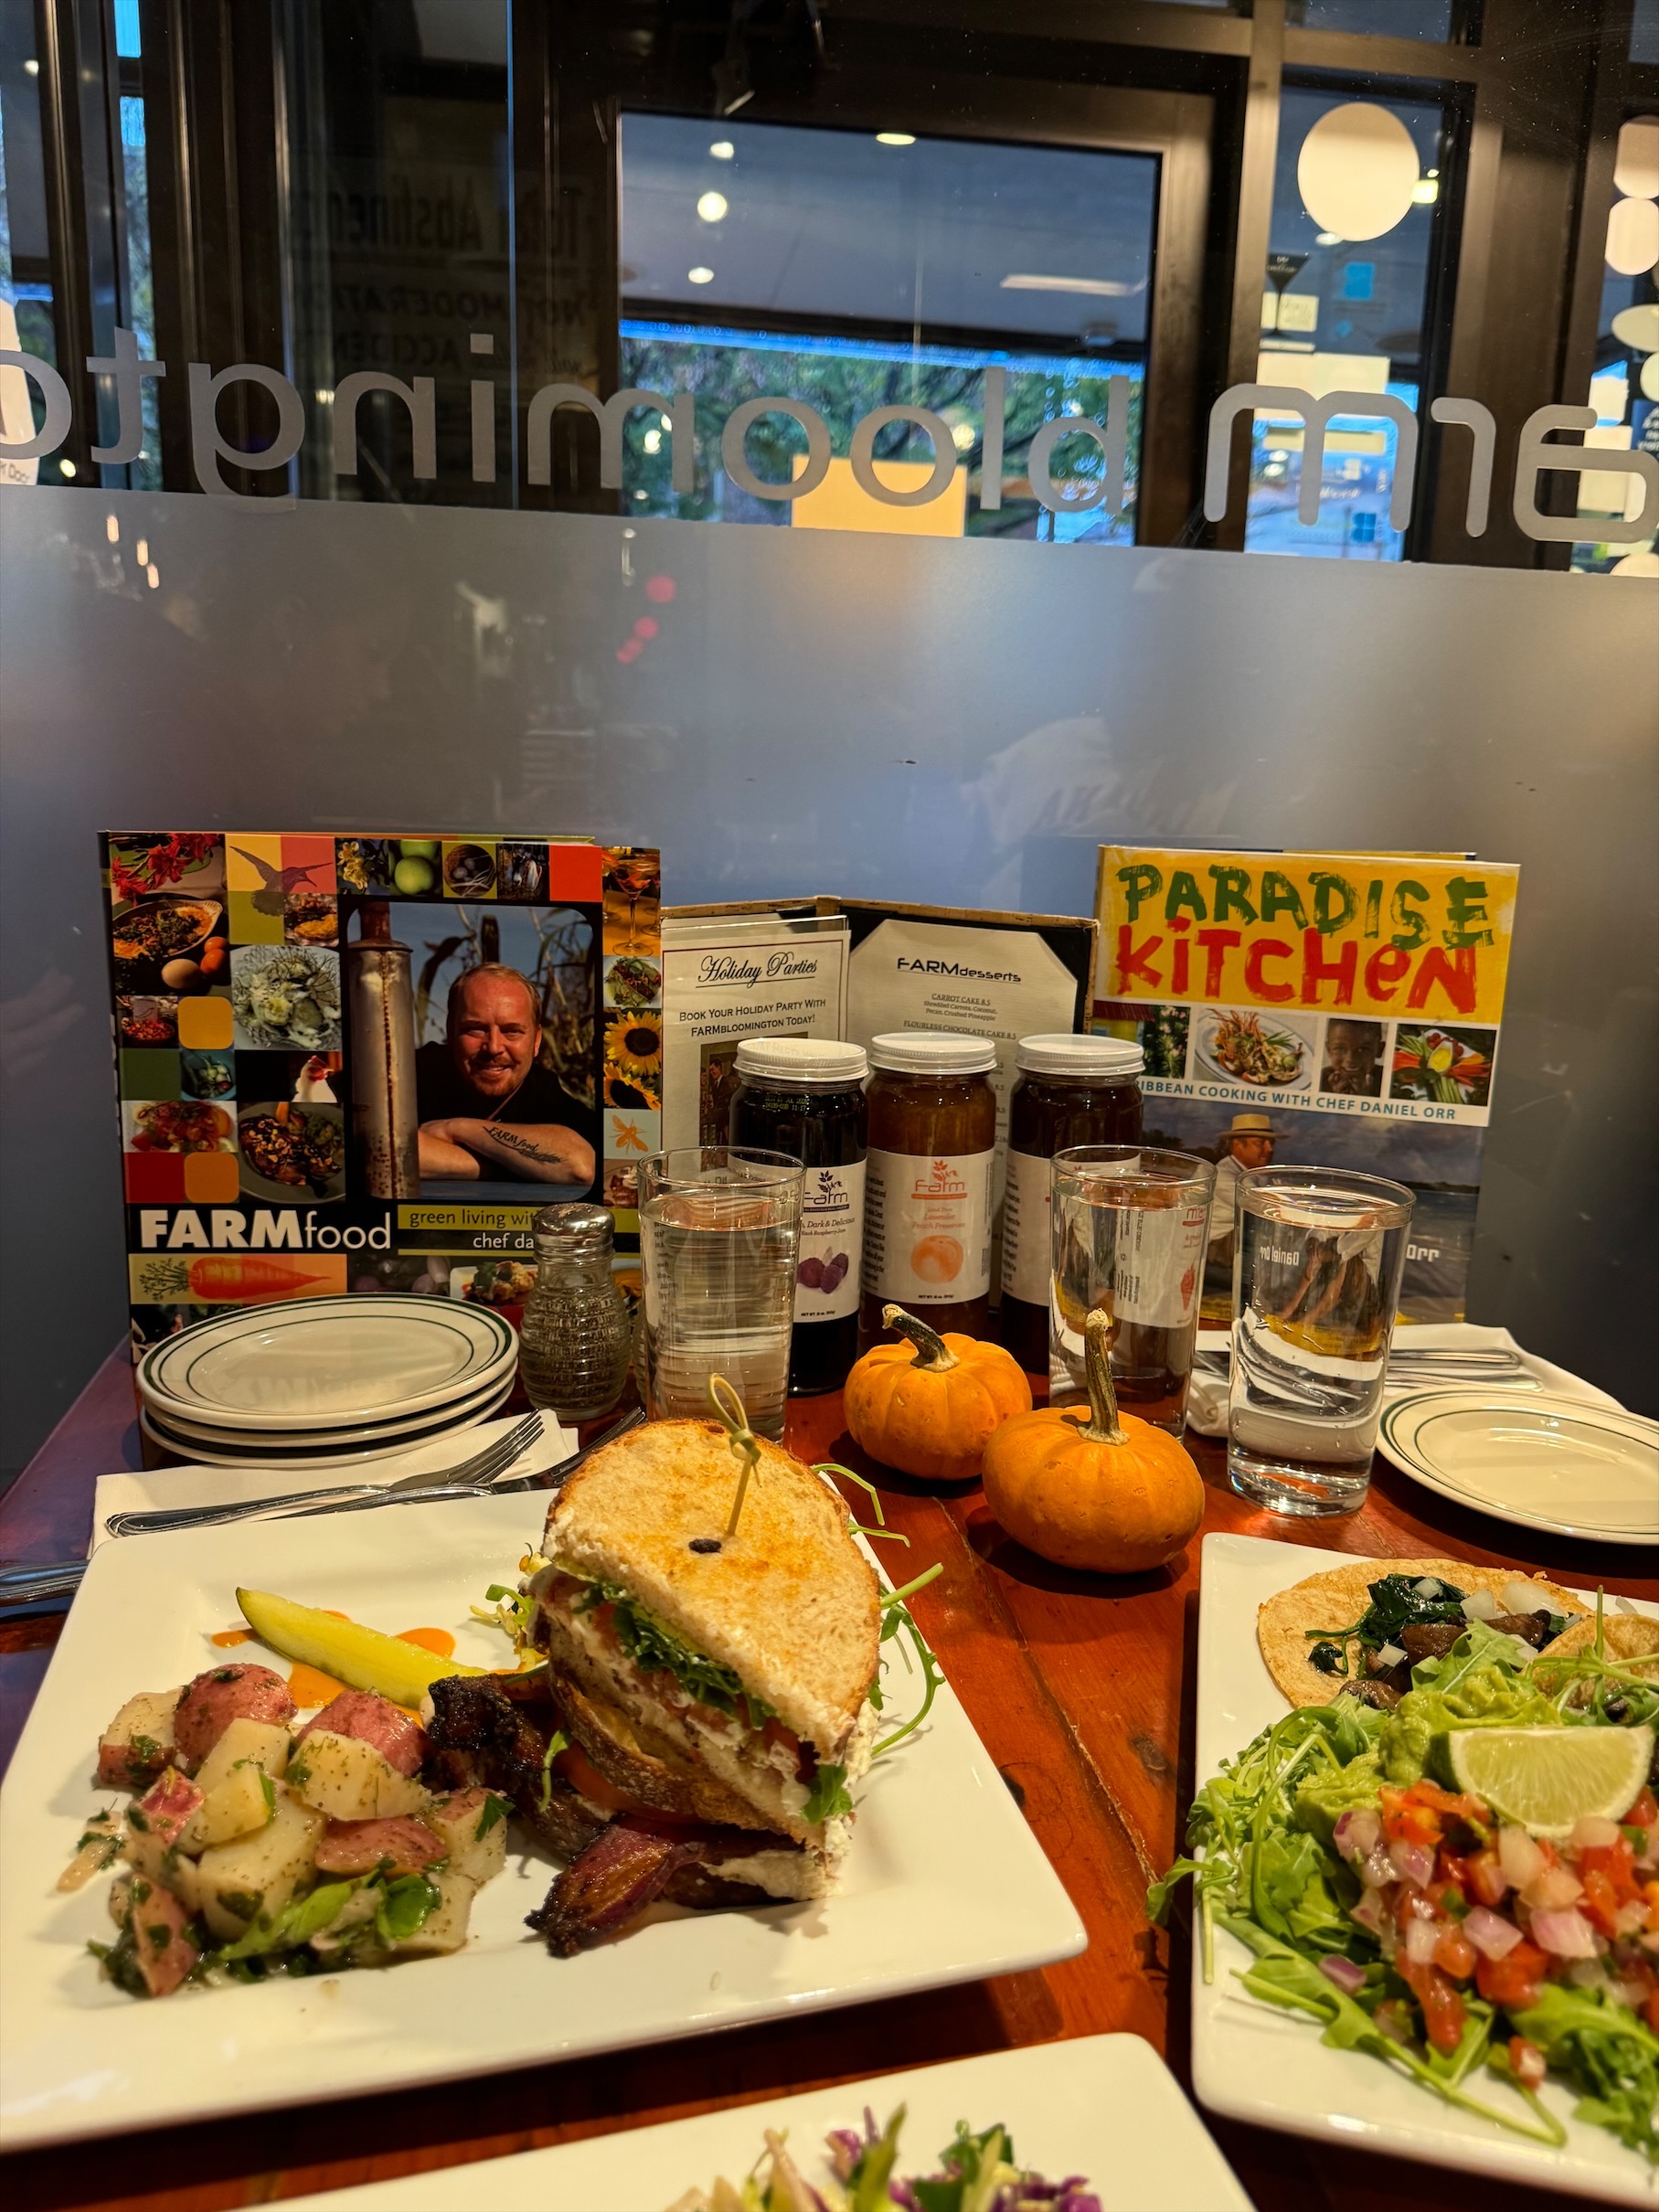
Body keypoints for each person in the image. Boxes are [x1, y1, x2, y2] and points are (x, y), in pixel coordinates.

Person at [416, 963, 596, 1186]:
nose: (493, 1047)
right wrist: (520, 1165)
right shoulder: (413, 1074)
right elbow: (380, 1150)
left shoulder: (547, 1098)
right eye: (475, 1029)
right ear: (451, 1031)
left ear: (537, 1040)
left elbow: (580, 1165)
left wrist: (454, 1128)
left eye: (511, 1031)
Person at [1206, 1111, 1280, 1263]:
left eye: (1271, 1143)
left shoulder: (1262, 1176)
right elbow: (1262, 1207)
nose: (1269, 1149)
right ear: (1238, 1145)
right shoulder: (1223, 1175)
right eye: (1260, 1143)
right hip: (1219, 1249)